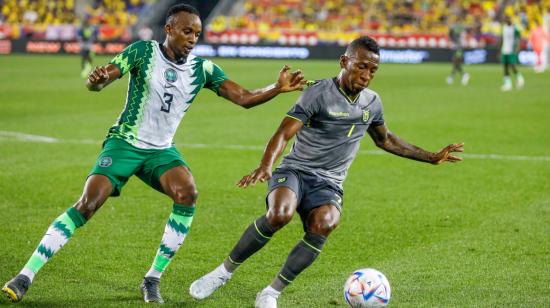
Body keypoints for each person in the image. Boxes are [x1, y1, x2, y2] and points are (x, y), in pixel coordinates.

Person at [1, 3, 304, 304]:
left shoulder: (202, 69)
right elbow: (107, 75)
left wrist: (276, 88)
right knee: (88, 203)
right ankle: (26, 274)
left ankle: (152, 278)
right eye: (187, 31)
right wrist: (98, 80)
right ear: (169, 29)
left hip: (161, 151)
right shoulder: (143, 51)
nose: (192, 38)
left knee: (188, 193)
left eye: (197, 34)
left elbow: (245, 98)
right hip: (125, 143)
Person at [189, 36, 464, 308]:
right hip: (295, 170)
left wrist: (431, 157)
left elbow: (386, 140)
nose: (367, 75)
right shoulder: (318, 93)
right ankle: (221, 274)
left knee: (325, 223)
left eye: (373, 70)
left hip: (329, 183)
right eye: (361, 66)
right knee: (279, 214)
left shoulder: (372, 102)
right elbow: (283, 133)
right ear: (344, 61)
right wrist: (266, 165)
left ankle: (271, 293)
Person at [500, 15, 525, 91]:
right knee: (505, 67)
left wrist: (517, 47)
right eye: (504, 19)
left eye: (506, 19)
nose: (505, 21)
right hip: (504, 49)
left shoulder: (514, 28)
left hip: (511, 50)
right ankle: (508, 84)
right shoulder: (504, 27)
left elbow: (518, 38)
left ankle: (520, 78)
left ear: (509, 19)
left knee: (512, 65)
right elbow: (503, 38)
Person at [447, 15, 470, 85]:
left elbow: (452, 34)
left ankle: (453, 76)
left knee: (455, 61)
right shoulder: (461, 28)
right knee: (456, 62)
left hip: (459, 47)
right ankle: (462, 75)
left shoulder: (459, 28)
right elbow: (451, 35)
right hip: (457, 47)